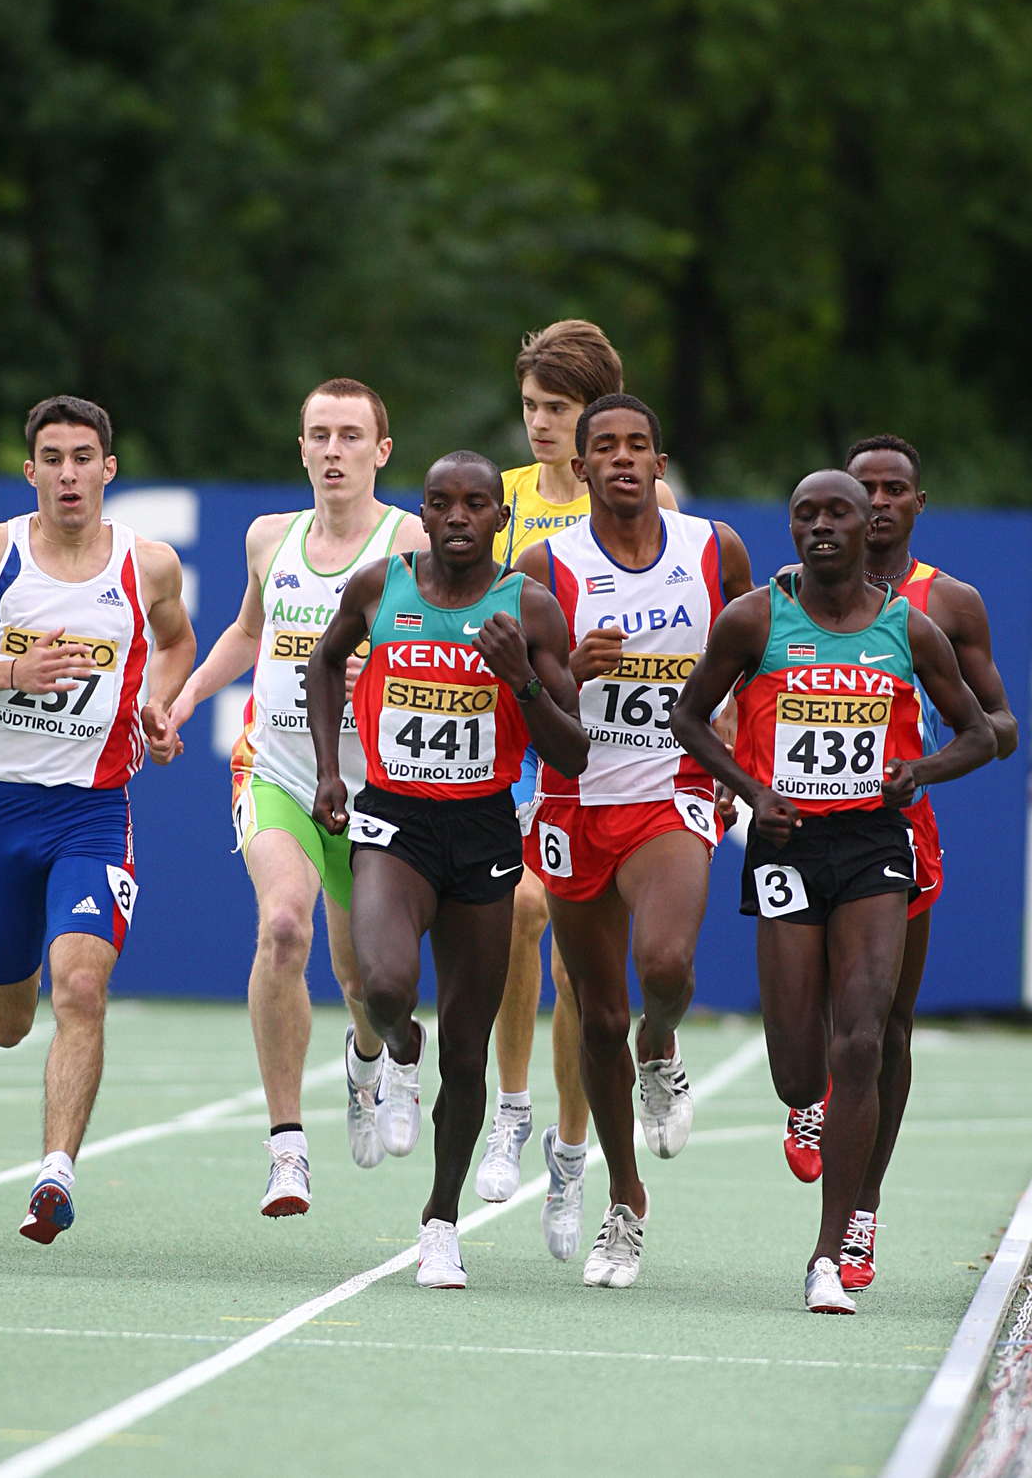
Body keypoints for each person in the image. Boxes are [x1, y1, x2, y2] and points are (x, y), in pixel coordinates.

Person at [671, 470, 994, 1313]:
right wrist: (752, 790)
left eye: (837, 512)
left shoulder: (909, 627)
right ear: (791, 528)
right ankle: (805, 1104)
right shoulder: (756, 620)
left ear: (866, 526)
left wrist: (919, 771)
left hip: (875, 844)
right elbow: (688, 716)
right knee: (797, 1066)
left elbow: (980, 732)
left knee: (862, 1040)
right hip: (787, 844)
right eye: (805, 514)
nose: (821, 525)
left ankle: (830, 1249)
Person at [0, 394, 195, 1244]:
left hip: (93, 815)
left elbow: (177, 642)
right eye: (53, 459)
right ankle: (10, 961)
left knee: (81, 988)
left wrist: (158, 707)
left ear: (109, 468)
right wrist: (8, 674)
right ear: (31, 470)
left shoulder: (149, 563)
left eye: (83, 458)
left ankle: (55, 1172)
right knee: (6, 1022)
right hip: (2, 809)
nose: (69, 474)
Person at [307, 452, 588, 1288]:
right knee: (385, 988)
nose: (458, 516)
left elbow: (572, 749)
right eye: (441, 502)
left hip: (484, 830)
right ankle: (400, 1047)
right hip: (393, 819)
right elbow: (323, 662)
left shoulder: (529, 606)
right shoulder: (379, 585)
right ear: (423, 513)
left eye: (475, 503)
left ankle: (440, 1220)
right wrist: (329, 770)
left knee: (468, 1052)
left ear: (500, 517)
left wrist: (522, 678)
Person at [164, 378, 426, 1217]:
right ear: (302, 447)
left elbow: (445, 647)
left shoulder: (411, 540)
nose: (334, 450)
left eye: (351, 435)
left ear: (382, 450)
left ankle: (367, 1060)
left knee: (365, 980)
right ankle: (286, 1146)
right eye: (320, 434)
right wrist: (185, 697)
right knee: (283, 926)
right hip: (277, 770)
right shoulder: (268, 536)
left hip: (375, 788)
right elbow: (249, 631)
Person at [518, 395, 753, 1288]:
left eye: (638, 445)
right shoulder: (545, 567)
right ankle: (625, 1198)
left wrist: (740, 750)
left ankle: (662, 1043)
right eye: (605, 447)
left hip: (672, 788)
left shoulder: (714, 549)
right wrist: (570, 673)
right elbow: (521, 697)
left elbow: (757, 658)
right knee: (596, 1012)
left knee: (665, 967)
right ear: (581, 468)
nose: (623, 458)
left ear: (660, 461)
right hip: (577, 799)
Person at [775, 436, 1018, 1293]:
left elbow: (999, 724)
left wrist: (922, 765)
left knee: (884, 1028)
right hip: (805, 835)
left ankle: (861, 1208)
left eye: (893, 488)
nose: (877, 502)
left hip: (896, 835)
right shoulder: (788, 593)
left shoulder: (946, 602)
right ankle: (808, 1097)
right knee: (811, 1022)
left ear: (918, 502)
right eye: (863, 487)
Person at [478, 320, 679, 1259]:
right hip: (524, 739)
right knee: (520, 912)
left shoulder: (653, 500)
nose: (539, 424)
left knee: (582, 975)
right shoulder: (504, 498)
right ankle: (509, 1109)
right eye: (529, 406)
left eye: (556, 408)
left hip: (621, 749)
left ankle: (569, 1154)